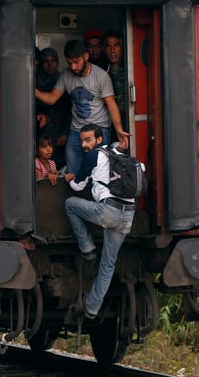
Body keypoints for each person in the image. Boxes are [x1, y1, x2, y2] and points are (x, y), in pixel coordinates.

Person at [64, 123, 137, 319]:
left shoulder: (92, 156)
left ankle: (87, 249)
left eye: (88, 140)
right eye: (81, 140)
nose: (84, 144)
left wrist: (69, 178)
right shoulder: (115, 153)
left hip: (108, 210)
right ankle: (92, 309)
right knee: (108, 265)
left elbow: (78, 187)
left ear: (98, 140)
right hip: (128, 215)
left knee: (71, 204)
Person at [35, 40, 130, 174]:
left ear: (86, 56)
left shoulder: (101, 76)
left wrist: (119, 130)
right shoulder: (66, 76)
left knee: (97, 170)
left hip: (98, 129)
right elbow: (51, 98)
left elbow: (111, 104)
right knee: (73, 170)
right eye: (69, 63)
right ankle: (75, 194)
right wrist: (33, 91)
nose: (73, 67)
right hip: (76, 131)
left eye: (76, 62)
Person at [35, 47, 70, 169]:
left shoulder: (64, 80)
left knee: (58, 164)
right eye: (45, 61)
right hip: (40, 131)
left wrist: (65, 133)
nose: (50, 65)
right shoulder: (34, 80)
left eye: (53, 61)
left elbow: (70, 110)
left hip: (59, 129)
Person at [102, 30, 127, 139]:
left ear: (122, 47)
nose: (112, 50)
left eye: (116, 45)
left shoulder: (131, 68)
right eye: (108, 46)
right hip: (109, 123)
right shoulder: (100, 71)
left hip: (130, 118)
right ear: (104, 49)